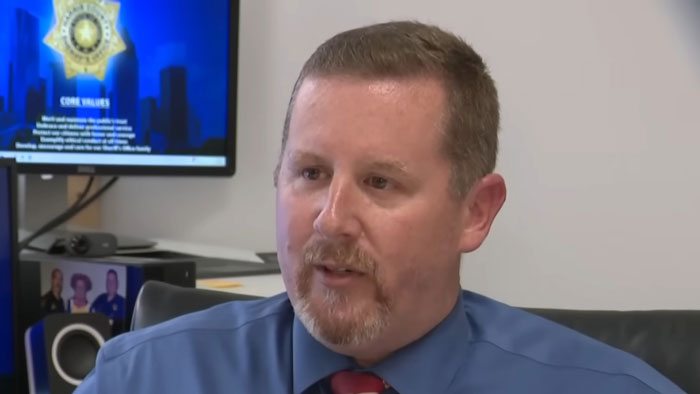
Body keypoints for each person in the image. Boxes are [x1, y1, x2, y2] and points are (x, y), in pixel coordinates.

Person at [76, 21, 683, 393]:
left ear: (475, 211)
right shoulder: (141, 376)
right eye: (310, 173)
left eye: (381, 182)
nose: (331, 218)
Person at [90, 269, 126, 334]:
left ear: (117, 283)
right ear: (106, 283)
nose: (111, 284)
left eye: (113, 281)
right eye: (109, 281)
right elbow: (91, 315)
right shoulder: (100, 299)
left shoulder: (122, 302)